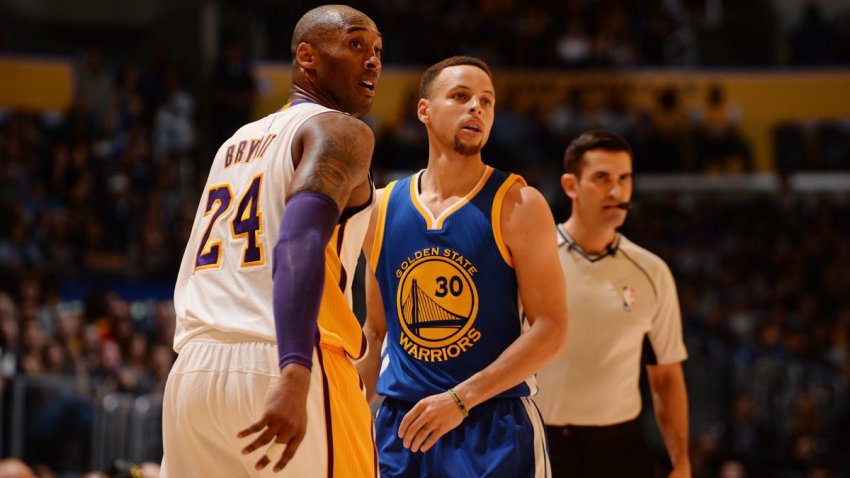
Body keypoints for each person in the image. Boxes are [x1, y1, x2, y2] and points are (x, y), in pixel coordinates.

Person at [161, 5, 382, 477]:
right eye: (357, 44)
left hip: (194, 372)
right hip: (286, 355)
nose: (372, 61)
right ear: (307, 56)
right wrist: (295, 367)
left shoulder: (235, 142)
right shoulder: (340, 130)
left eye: (378, 51)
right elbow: (298, 242)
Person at [357, 56, 568, 477]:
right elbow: (377, 331)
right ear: (424, 110)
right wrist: (344, 411)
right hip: (402, 428)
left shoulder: (519, 203)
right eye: (460, 96)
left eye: (486, 102)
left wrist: (460, 400)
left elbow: (551, 329)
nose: (477, 108)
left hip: (494, 426)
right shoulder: (380, 206)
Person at [534, 130, 691, 478]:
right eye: (602, 178)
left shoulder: (652, 271)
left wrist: (681, 461)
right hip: (539, 442)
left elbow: (666, 376)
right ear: (570, 185)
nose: (617, 192)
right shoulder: (534, 260)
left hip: (619, 447)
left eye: (624, 179)